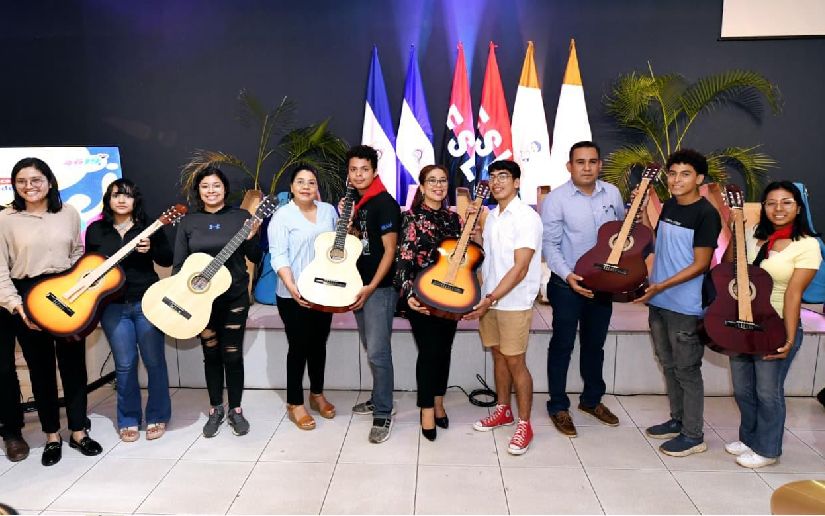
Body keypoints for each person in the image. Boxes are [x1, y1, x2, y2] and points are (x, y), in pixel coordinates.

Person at [0, 157, 103, 466]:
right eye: (21, 181)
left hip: (65, 294)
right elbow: (1, 269)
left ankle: (78, 431)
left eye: (36, 179)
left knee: (74, 366)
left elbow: (77, 253)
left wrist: (78, 289)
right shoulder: (5, 218)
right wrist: (17, 307)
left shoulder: (68, 212)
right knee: (41, 368)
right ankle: (52, 435)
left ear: (49, 181)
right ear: (14, 185)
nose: (29, 186)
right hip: (27, 297)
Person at [724, 181, 820, 468]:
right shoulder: (755, 234)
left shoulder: (807, 245)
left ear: (798, 208)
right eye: (771, 203)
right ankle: (749, 438)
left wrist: (789, 338)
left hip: (776, 326)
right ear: (763, 207)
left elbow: (793, 294)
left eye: (786, 202)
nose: (778, 208)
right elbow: (730, 267)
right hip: (742, 324)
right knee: (743, 389)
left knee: (767, 392)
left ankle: (767, 450)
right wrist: (735, 232)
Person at [634, 149, 721, 457]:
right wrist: (644, 216)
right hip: (659, 300)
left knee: (687, 369)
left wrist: (661, 285)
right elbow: (658, 244)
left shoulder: (706, 214)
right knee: (668, 364)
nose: (676, 180)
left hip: (685, 305)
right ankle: (678, 420)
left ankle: (694, 436)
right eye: (672, 174)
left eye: (685, 174)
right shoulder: (670, 204)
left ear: (699, 179)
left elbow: (701, 264)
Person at [540, 141, 626, 437]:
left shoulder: (612, 194)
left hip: (602, 284)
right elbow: (550, 245)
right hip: (567, 284)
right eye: (580, 162)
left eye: (592, 161)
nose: (587, 167)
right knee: (562, 345)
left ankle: (591, 401)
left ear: (600, 165)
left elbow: (619, 234)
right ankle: (558, 405)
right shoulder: (556, 199)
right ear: (570, 166)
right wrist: (569, 276)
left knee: (595, 345)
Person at [173, 166, 261, 438]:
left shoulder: (242, 217)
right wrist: (183, 296)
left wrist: (252, 238)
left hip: (234, 296)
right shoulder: (189, 222)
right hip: (201, 302)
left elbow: (255, 257)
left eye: (216, 185)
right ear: (198, 191)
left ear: (225, 189)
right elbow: (179, 266)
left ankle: (235, 409)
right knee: (210, 354)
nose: (211, 191)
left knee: (232, 354)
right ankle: (215, 409)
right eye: (205, 186)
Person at [85, 179, 173, 442]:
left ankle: (158, 415)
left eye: (127, 195)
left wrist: (152, 248)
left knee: (154, 361)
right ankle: (128, 419)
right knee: (124, 365)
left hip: (147, 302)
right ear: (108, 200)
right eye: (116, 195)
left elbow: (167, 259)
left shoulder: (150, 227)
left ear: (136, 200)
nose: (122, 200)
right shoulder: (96, 230)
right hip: (112, 306)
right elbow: (88, 266)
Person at [467, 160, 542, 455]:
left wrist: (490, 298)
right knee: (498, 356)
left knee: (515, 362)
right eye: (492, 177)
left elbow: (520, 268)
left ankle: (524, 424)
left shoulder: (526, 217)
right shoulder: (493, 216)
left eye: (504, 177)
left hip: (513, 302)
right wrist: (472, 231)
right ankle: (503, 410)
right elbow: (488, 256)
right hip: (491, 299)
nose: (496, 182)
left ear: (517, 182)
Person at [394, 164, 463, 441]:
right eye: (432, 181)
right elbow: (402, 262)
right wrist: (409, 294)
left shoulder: (454, 219)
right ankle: (426, 410)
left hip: (451, 296)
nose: (438, 185)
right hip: (421, 298)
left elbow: (463, 260)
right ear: (422, 187)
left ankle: (439, 402)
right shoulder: (410, 218)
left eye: (442, 180)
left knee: (444, 350)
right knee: (429, 352)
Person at [269, 164, 338, 431]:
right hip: (293, 293)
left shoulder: (329, 211)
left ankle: (317, 394)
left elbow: (336, 247)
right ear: (292, 187)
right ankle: (295, 402)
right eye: (300, 181)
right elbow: (278, 255)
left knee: (319, 344)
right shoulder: (282, 216)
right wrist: (291, 286)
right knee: (298, 346)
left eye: (311, 182)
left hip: (324, 290)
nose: (306, 186)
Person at [345, 145, 401, 444]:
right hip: (358, 286)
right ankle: (379, 396)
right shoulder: (356, 203)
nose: (358, 175)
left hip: (378, 289)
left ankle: (383, 412)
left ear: (374, 171)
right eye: (353, 170)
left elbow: (389, 251)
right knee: (371, 348)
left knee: (378, 352)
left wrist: (371, 287)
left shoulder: (384, 203)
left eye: (364, 169)